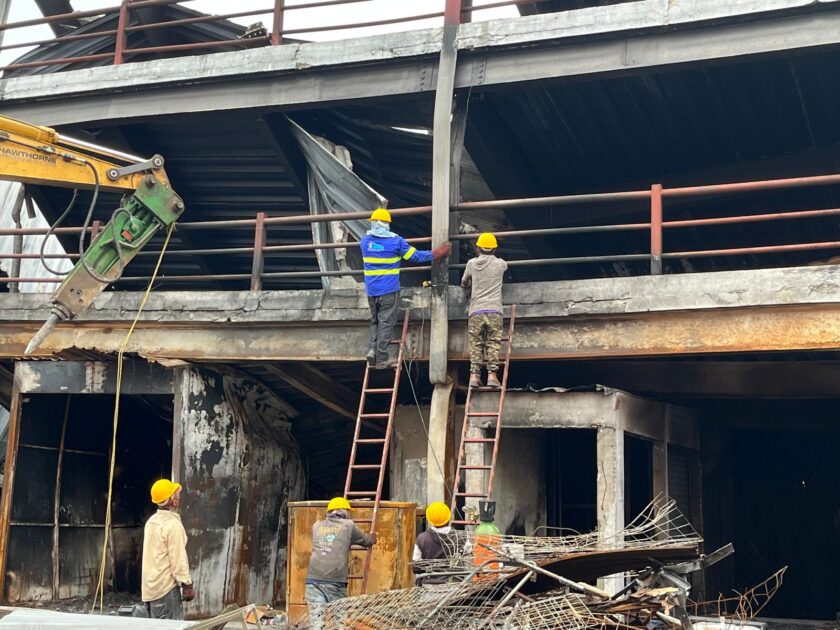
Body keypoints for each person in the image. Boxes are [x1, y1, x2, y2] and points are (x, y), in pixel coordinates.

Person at [361, 208, 451, 369]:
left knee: (374, 321)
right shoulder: (396, 242)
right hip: (388, 290)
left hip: (371, 290)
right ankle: (382, 358)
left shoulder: (364, 242)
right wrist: (437, 253)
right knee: (386, 323)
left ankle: (372, 350)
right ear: (387, 224)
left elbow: (377, 245)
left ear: (375, 223)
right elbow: (415, 256)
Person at [305, 497, 376, 626]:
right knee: (339, 620)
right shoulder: (348, 525)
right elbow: (367, 542)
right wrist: (373, 537)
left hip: (313, 579)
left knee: (317, 622)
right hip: (335, 580)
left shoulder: (316, 526)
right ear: (344, 511)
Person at [142, 479, 195, 620]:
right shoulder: (173, 525)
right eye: (176, 495)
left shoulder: (151, 522)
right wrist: (187, 584)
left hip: (150, 590)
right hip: (165, 590)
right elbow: (178, 559)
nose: (178, 497)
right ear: (172, 501)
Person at [461, 232, 508, 388]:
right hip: (495, 310)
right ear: (494, 249)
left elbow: (464, 282)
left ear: (478, 247)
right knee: (493, 343)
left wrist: (468, 288)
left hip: (476, 310)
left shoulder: (471, 264)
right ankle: (492, 376)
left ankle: (474, 377)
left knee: (476, 344)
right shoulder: (501, 264)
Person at [413, 502, 457, 584]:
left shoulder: (422, 538)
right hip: (455, 587)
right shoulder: (461, 538)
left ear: (429, 519)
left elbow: (416, 567)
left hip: (428, 587)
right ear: (448, 517)